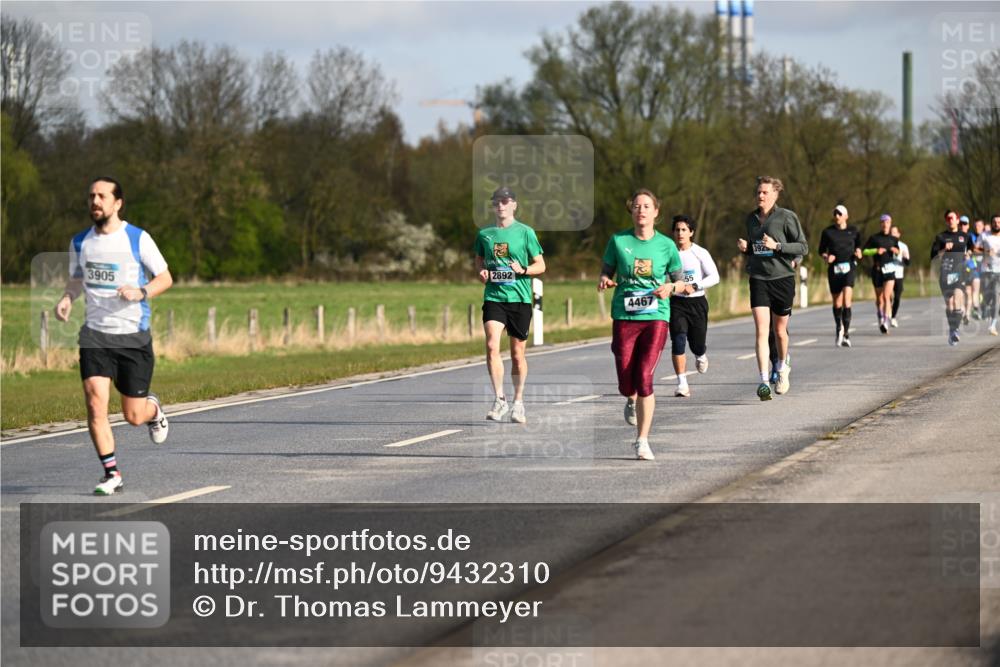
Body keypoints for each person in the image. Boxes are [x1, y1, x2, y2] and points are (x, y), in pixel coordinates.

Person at [53, 177, 173, 495]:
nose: (95, 201)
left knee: (133, 415)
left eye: (102, 196)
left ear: (117, 203)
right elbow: (77, 278)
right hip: (95, 336)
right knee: (95, 403)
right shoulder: (80, 242)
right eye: (91, 195)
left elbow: (166, 277)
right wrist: (67, 298)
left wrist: (142, 291)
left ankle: (154, 411)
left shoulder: (138, 239)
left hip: (132, 337)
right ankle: (111, 473)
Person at [599, 189, 684, 460]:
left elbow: (681, 282)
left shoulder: (667, 246)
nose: (641, 210)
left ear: (656, 212)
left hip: (656, 316)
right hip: (624, 316)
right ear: (631, 211)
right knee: (627, 379)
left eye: (647, 206)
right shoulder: (618, 240)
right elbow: (606, 271)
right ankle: (629, 397)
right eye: (637, 206)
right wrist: (604, 280)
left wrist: (670, 287)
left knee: (645, 375)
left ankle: (642, 440)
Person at [474, 187, 545, 424]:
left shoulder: (526, 233)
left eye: (505, 201)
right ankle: (499, 399)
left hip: (520, 299)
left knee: (517, 354)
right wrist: (481, 272)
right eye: (496, 202)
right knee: (492, 345)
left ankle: (518, 402)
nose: (501, 205)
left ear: (514, 205)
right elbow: (479, 259)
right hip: (494, 297)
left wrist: (523, 270)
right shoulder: (485, 234)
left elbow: (541, 265)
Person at [737, 176, 808, 400]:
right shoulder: (751, 219)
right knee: (761, 331)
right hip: (758, 278)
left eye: (765, 192)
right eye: (758, 192)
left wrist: (777, 245)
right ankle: (764, 381)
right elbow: (757, 248)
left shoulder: (787, 217)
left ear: (775, 194)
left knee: (779, 331)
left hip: (782, 278)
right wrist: (747, 248)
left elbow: (803, 246)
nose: (760, 196)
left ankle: (782, 367)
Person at [668, 215, 720, 397]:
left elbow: (715, 276)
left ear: (691, 232)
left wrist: (696, 286)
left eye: (684, 230)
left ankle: (700, 354)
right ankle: (682, 383)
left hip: (697, 302)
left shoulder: (700, 252)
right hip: (676, 303)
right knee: (678, 340)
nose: (680, 233)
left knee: (697, 344)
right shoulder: (669, 252)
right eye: (677, 230)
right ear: (673, 232)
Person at [817, 204, 862, 346]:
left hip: (849, 267)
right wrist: (826, 257)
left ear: (846, 216)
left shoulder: (854, 231)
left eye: (840, 214)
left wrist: (859, 252)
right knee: (837, 302)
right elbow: (821, 250)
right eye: (835, 214)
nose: (837, 216)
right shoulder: (828, 232)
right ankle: (839, 328)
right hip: (834, 270)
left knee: (847, 300)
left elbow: (859, 246)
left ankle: (847, 335)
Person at [930, 210, 969, 346]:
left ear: (957, 220)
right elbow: (933, 256)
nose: (950, 220)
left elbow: (971, 251)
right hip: (946, 273)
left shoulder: (965, 236)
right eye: (948, 218)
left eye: (952, 218)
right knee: (950, 304)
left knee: (957, 298)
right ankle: (952, 329)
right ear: (946, 221)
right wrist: (943, 250)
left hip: (959, 273)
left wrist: (969, 256)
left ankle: (955, 331)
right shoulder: (940, 237)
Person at [863, 214, 900, 335]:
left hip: (889, 270)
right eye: (883, 222)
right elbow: (864, 251)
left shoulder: (894, 239)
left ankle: (885, 321)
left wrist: (896, 251)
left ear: (890, 224)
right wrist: (875, 251)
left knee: (886, 296)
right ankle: (880, 315)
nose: (885, 225)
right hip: (878, 270)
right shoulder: (874, 238)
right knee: (879, 299)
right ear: (880, 224)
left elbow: (898, 251)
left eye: (887, 222)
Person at [981, 214, 1000, 336]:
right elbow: (975, 248)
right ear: (991, 223)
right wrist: (987, 251)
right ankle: (984, 306)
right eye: (995, 222)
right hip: (988, 270)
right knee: (988, 298)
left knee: (997, 297)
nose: (997, 224)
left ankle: (993, 325)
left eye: (999, 222)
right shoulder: (984, 236)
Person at [889, 225, 910, 327]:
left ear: (898, 234)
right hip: (888, 273)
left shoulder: (903, 246)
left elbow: (907, 263)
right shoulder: (886, 244)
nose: (892, 234)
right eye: (891, 232)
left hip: (899, 275)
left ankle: (893, 317)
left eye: (894, 232)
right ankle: (887, 314)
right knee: (888, 297)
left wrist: (902, 256)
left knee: (897, 297)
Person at [966, 218, 986, 322]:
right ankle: (975, 308)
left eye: (979, 225)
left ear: (983, 226)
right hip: (974, 266)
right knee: (973, 290)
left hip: (986, 267)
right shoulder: (971, 236)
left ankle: (979, 306)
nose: (977, 227)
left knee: (984, 290)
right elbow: (972, 249)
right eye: (976, 225)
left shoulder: (987, 236)